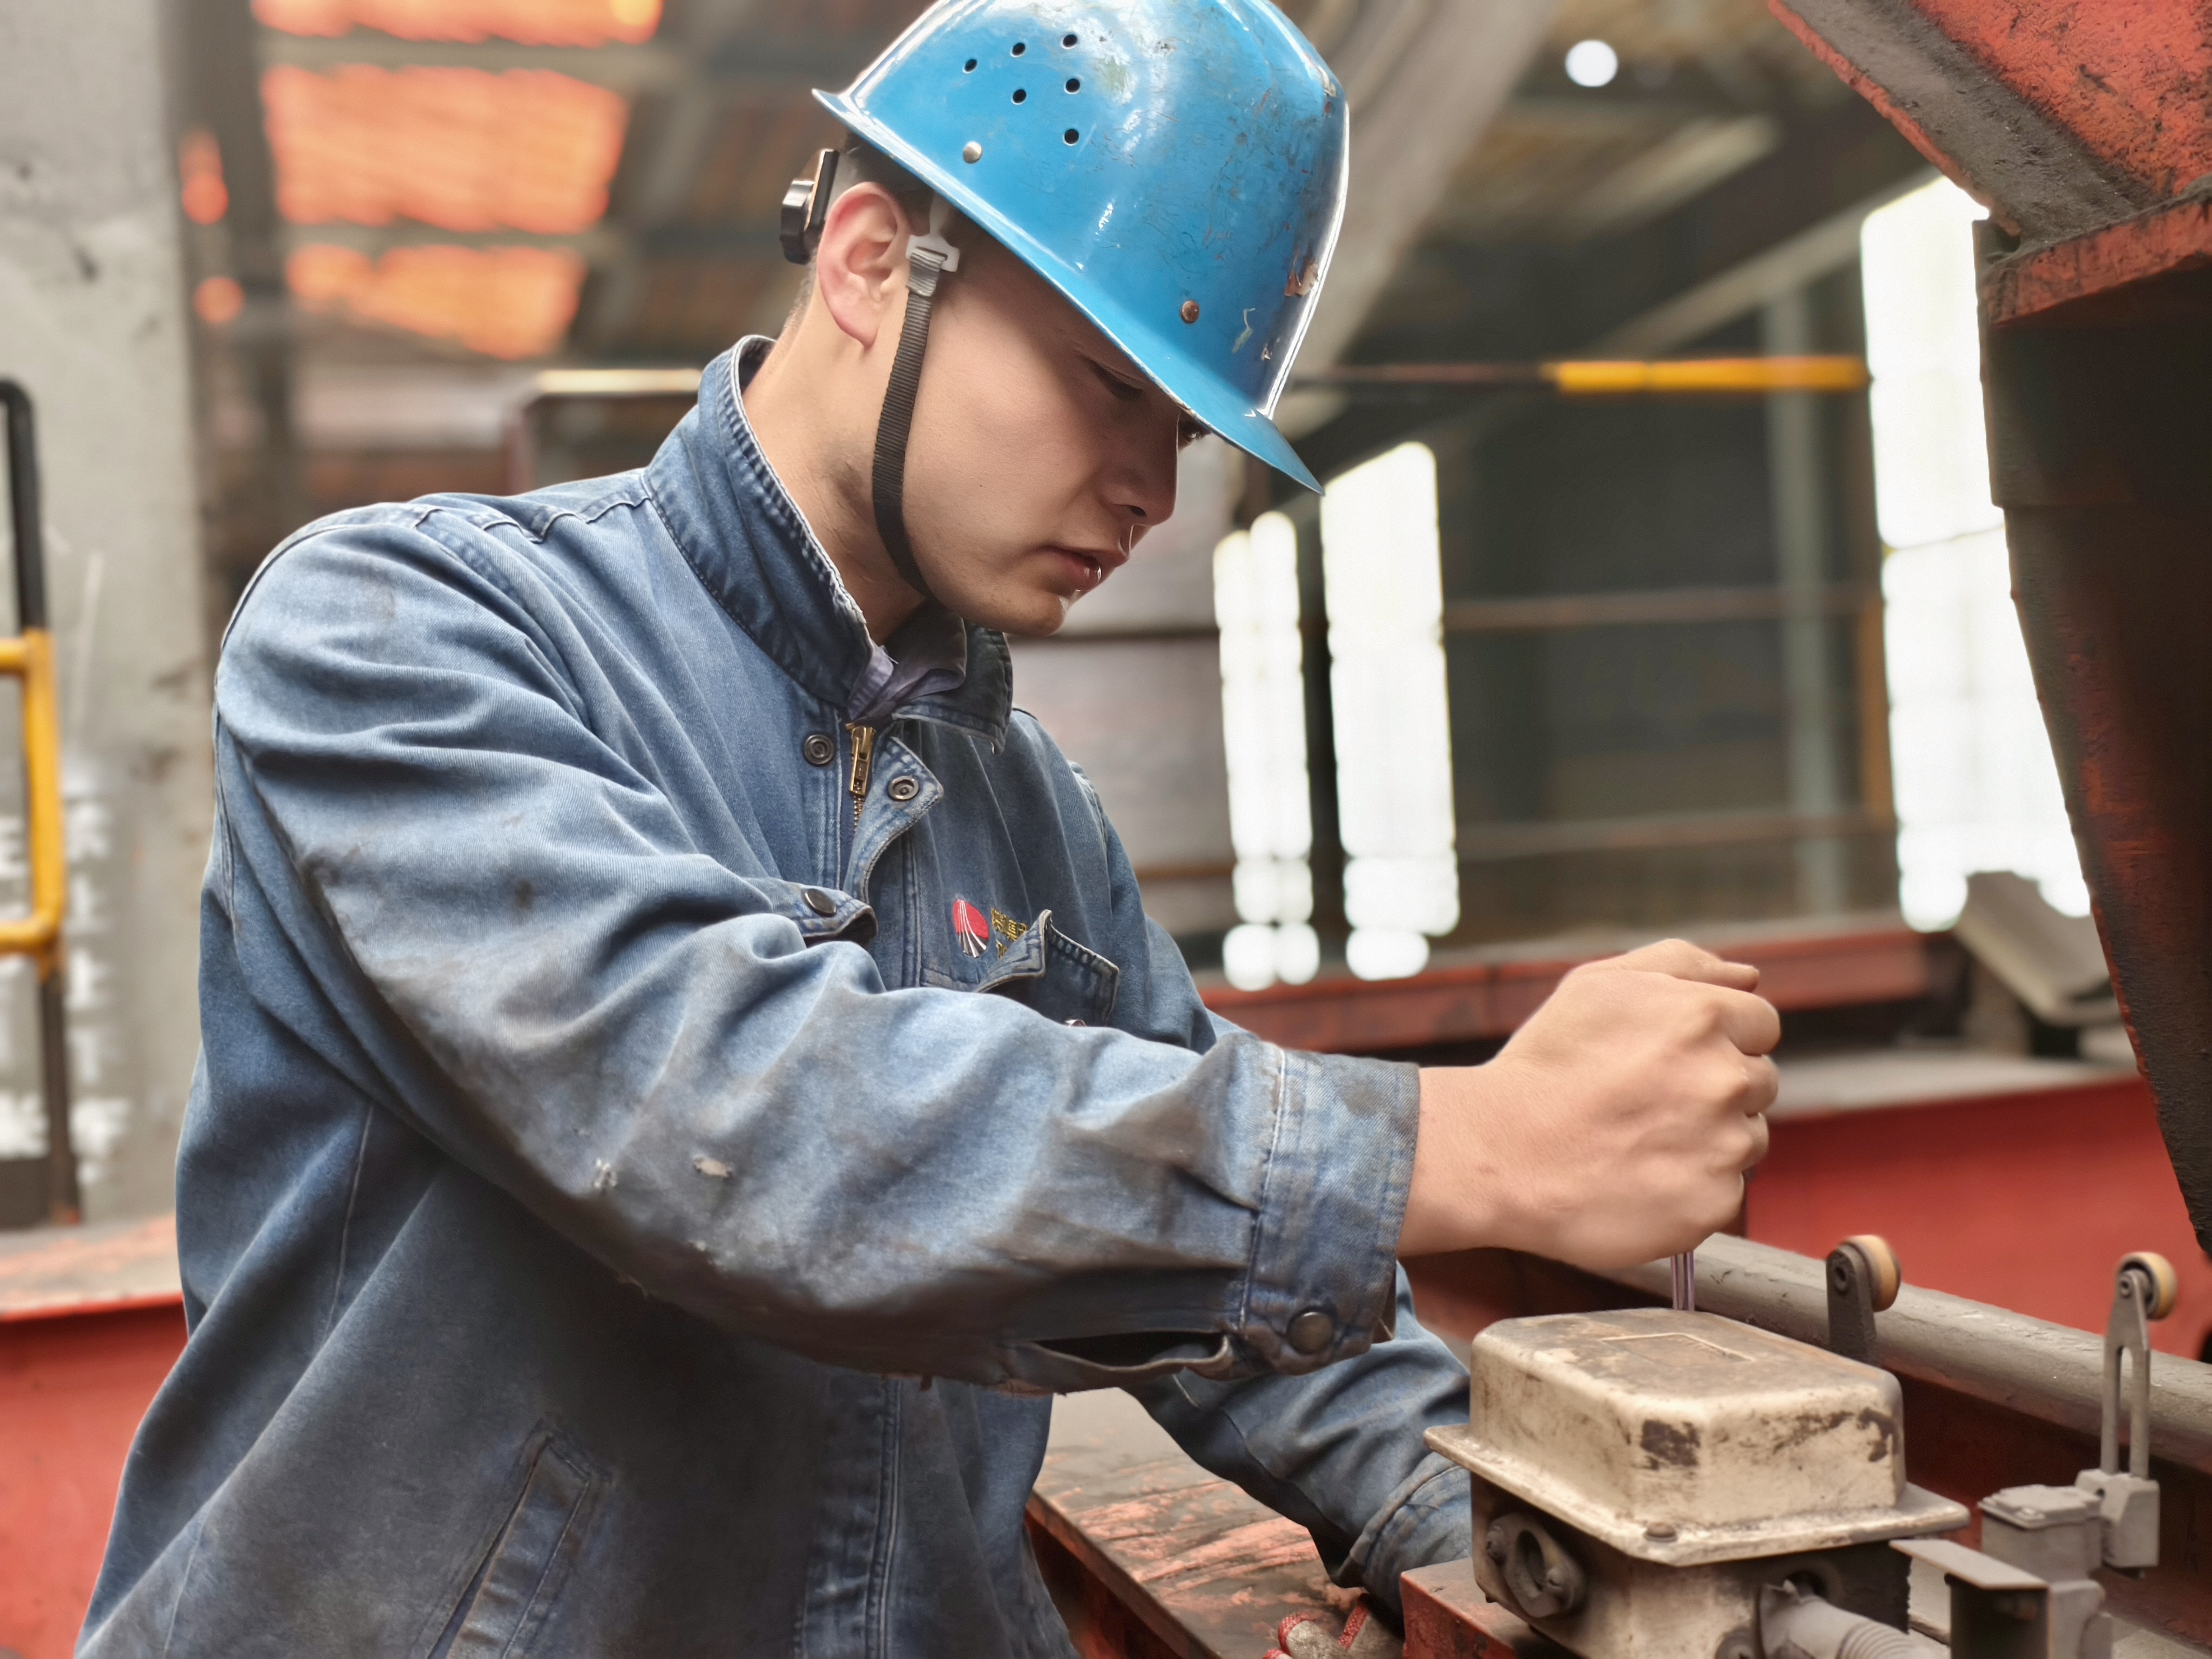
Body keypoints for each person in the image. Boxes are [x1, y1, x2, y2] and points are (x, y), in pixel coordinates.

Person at [83, 1, 1777, 1653]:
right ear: (874, 262)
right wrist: (1465, 1146)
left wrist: (1506, 1538)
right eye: (1111, 383)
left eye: (1183, 429)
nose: (1152, 488)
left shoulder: (1030, 817)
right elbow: (726, 1120)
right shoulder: (402, 629)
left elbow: (1235, 1306)